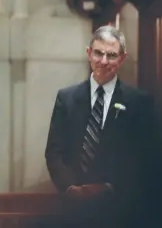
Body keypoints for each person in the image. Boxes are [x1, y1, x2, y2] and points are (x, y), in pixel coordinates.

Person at [45, 25, 159, 228]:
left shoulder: (139, 102)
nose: (104, 61)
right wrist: (71, 189)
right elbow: (54, 151)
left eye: (112, 55)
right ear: (89, 54)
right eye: (98, 53)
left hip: (121, 211)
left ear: (122, 58)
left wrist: (109, 189)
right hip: (74, 210)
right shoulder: (67, 98)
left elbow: (146, 158)